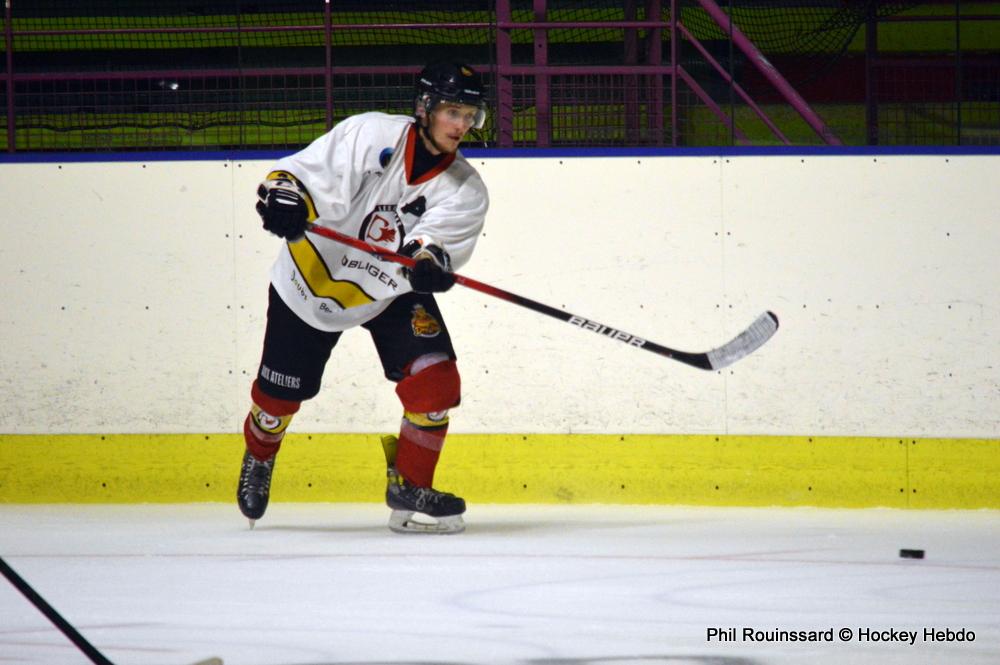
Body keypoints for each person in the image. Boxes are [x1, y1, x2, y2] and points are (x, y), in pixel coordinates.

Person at [237, 61, 489, 534]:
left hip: (387, 290)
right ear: (425, 108)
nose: (461, 125)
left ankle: (410, 485)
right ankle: (260, 456)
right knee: (277, 401)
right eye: (452, 112)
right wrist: (286, 199)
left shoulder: (466, 189)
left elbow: (433, 243)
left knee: (436, 383)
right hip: (309, 281)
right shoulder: (371, 135)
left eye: (469, 115)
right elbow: (301, 177)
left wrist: (430, 261)